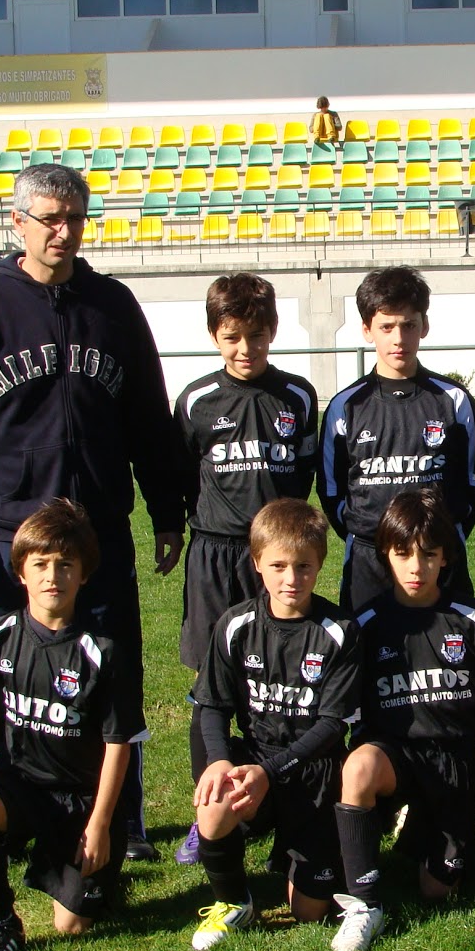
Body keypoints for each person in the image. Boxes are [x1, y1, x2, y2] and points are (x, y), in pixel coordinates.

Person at [0, 163, 186, 863]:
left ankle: (123, 823)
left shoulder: (113, 306)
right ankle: (7, 817)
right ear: (19, 223)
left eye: (74, 218)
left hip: (99, 535)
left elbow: (147, 418)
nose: (63, 232)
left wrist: (166, 511)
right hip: (9, 536)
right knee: (8, 680)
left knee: (113, 679)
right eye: (49, 218)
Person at [0, 499, 144, 951]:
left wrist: (100, 824)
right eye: (40, 565)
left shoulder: (104, 652)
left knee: (71, 926)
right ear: (21, 572)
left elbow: (119, 745)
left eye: (65, 564)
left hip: (83, 800)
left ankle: (92, 873)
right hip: (21, 786)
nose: (52, 576)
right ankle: (3, 927)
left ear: (83, 575)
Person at [173, 272, 319, 866]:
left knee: (283, 674)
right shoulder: (196, 400)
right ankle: (209, 809)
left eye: (256, 335)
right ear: (215, 335)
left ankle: (286, 801)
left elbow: (303, 478)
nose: (245, 348)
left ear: (273, 331)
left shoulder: (297, 397)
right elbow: (182, 476)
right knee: (212, 684)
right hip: (214, 555)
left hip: (277, 557)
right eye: (232, 336)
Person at [332, 488, 475, 951]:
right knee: (359, 767)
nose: (416, 567)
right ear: (385, 554)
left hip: (453, 760)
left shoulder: (471, 619)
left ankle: (445, 818)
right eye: (403, 553)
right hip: (395, 754)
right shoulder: (366, 623)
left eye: (428, 554)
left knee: (436, 891)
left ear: (446, 556)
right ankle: (364, 904)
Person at [187, 498, 360, 948]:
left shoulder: (339, 630)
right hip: (255, 758)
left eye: (303, 566)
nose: (291, 579)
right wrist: (219, 762)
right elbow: (211, 706)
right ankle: (233, 902)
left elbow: (332, 725)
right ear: (257, 563)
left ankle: (299, 850)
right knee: (214, 800)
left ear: (320, 563)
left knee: (309, 912)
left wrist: (270, 771)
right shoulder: (236, 624)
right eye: (278, 566)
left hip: (314, 769)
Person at [320, 265, 475, 614]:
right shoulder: (345, 405)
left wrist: (444, 533)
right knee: (367, 647)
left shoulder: (453, 400)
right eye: (386, 327)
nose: (399, 338)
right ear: (367, 330)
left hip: (437, 558)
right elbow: (331, 490)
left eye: (409, 325)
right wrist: (366, 532)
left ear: (424, 326)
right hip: (369, 560)